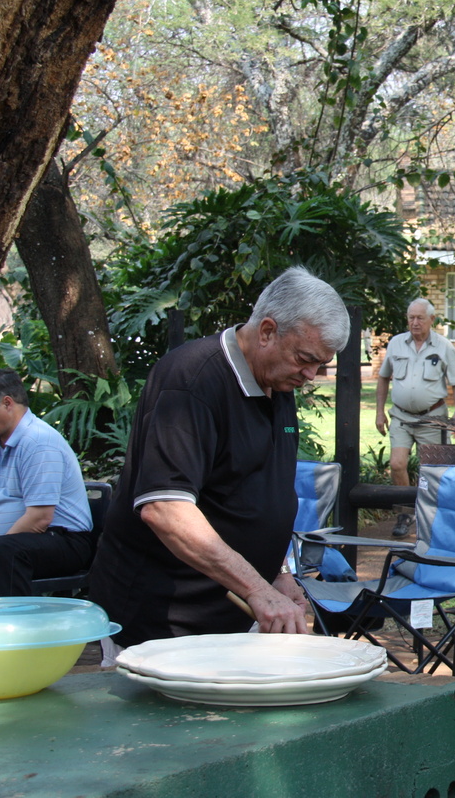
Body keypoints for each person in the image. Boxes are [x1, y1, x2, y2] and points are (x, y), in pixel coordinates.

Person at [89, 266, 350, 653]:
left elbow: (258, 494)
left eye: (320, 364)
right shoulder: (191, 381)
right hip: (164, 622)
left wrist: (276, 573)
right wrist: (256, 587)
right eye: (305, 358)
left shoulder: (278, 381)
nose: (311, 374)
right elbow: (165, 508)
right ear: (266, 331)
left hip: (231, 616)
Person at [375, 297, 455, 536]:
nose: (414, 323)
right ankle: (404, 515)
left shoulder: (444, 346)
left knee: (432, 471)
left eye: (419, 318)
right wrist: (379, 412)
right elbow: (383, 377)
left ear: (432, 320)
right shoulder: (395, 344)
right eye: (411, 318)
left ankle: (430, 517)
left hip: (432, 419)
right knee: (397, 464)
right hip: (401, 418)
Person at [0, 369, 93, 596]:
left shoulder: (38, 441)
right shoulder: (2, 444)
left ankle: (14, 627)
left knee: (4, 553)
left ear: (7, 403)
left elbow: (39, 519)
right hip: (24, 541)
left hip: (65, 540)